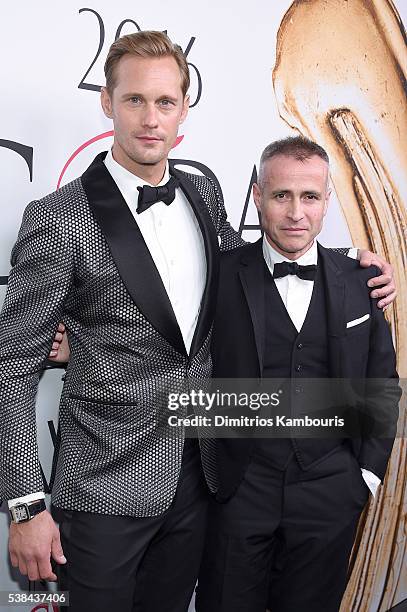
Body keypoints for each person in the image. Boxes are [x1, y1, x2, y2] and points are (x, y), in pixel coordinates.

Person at [0, 31, 395, 612]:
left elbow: (255, 266)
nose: (151, 119)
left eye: (165, 102)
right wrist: (27, 505)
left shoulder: (203, 192)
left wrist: (344, 263)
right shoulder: (59, 219)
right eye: (135, 100)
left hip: (204, 481)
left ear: (185, 108)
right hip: (106, 486)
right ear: (107, 103)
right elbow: (14, 367)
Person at [195, 137, 401, 612]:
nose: (295, 212)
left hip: (331, 487)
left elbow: (382, 385)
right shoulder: (219, 275)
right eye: (281, 195)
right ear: (257, 196)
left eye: (309, 197)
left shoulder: (361, 281)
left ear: (327, 200)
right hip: (240, 488)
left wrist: (365, 475)